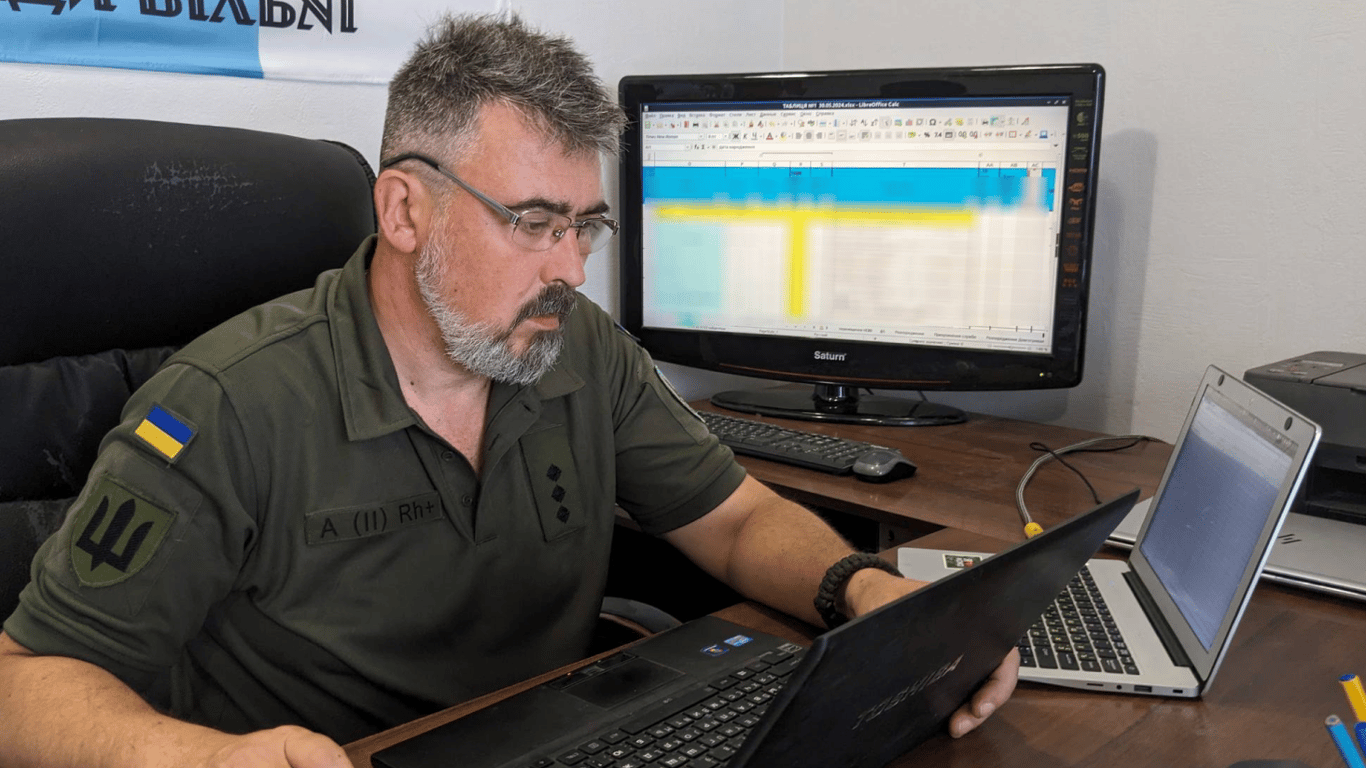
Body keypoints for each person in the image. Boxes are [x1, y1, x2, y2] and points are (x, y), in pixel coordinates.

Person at [0, 13, 1018, 768]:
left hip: (561, 738)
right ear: (405, 210)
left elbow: (737, 518)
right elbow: (25, 683)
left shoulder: (576, 347)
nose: (571, 269)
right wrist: (198, 758)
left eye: (586, 226)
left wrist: (869, 595)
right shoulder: (223, 404)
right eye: (533, 222)